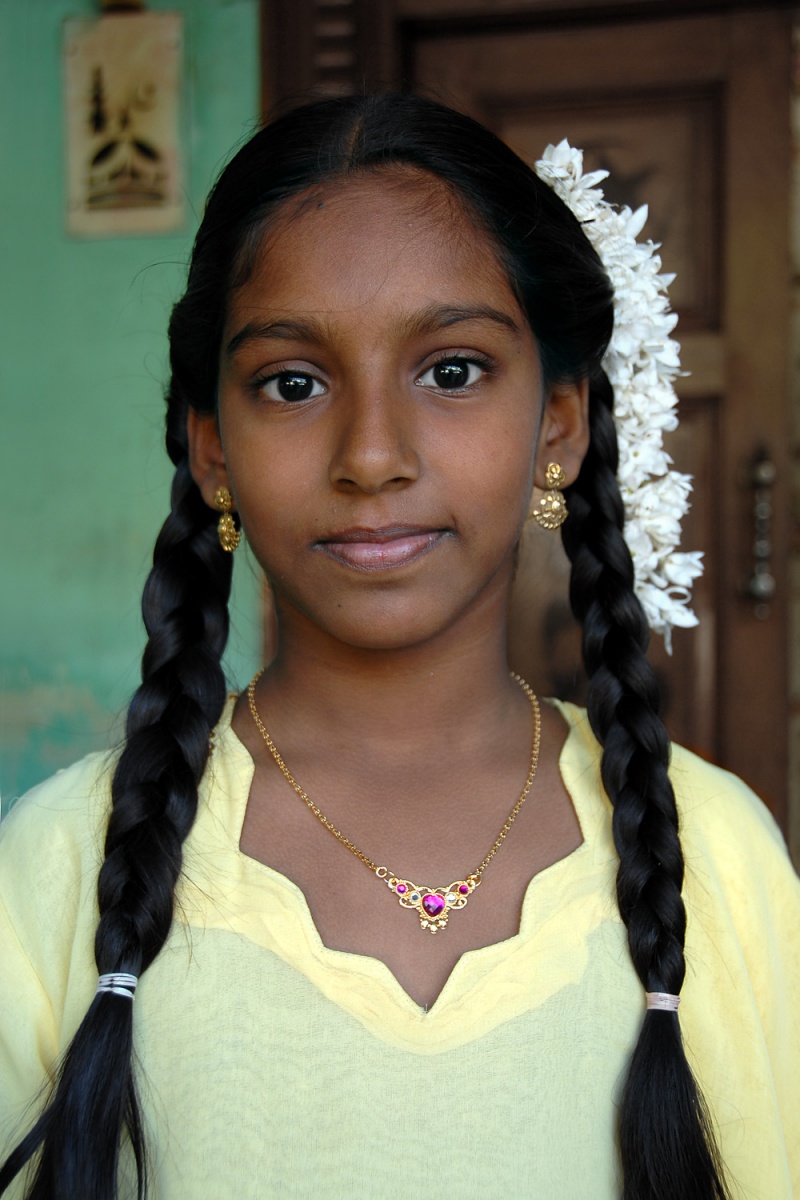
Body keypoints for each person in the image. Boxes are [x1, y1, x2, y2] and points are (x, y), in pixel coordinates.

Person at [0, 93, 797, 1200]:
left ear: (557, 422)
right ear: (212, 447)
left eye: (452, 370)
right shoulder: (52, 872)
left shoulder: (715, 857)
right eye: (293, 383)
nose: (370, 455)